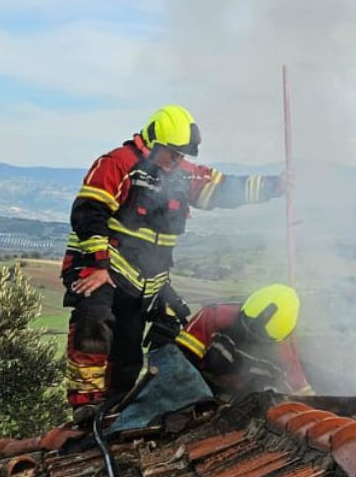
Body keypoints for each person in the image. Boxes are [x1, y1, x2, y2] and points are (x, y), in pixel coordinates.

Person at [62, 105, 286, 415]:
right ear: (152, 142)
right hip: (102, 268)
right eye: (172, 154)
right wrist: (99, 266)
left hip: (146, 280)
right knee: (95, 318)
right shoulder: (117, 164)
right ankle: (86, 407)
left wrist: (276, 186)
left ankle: (118, 409)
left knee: (140, 343)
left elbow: (224, 189)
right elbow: (88, 214)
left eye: (182, 156)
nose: (177, 161)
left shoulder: (182, 175)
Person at [150, 283, 314, 397]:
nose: (249, 336)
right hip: (196, 383)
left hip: (239, 402)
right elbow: (180, 361)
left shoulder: (283, 354)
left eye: (257, 338)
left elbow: (302, 393)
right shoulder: (215, 315)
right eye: (247, 327)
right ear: (244, 310)